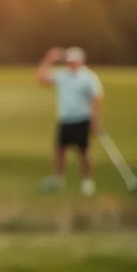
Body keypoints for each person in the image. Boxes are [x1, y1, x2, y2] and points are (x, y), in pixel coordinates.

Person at [36, 46, 104, 195]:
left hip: (82, 118)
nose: (71, 64)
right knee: (60, 150)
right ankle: (58, 179)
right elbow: (40, 78)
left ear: (81, 61)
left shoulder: (89, 77)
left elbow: (97, 98)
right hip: (65, 118)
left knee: (84, 152)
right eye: (69, 61)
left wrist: (95, 119)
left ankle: (87, 181)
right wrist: (48, 59)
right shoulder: (62, 75)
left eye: (74, 61)